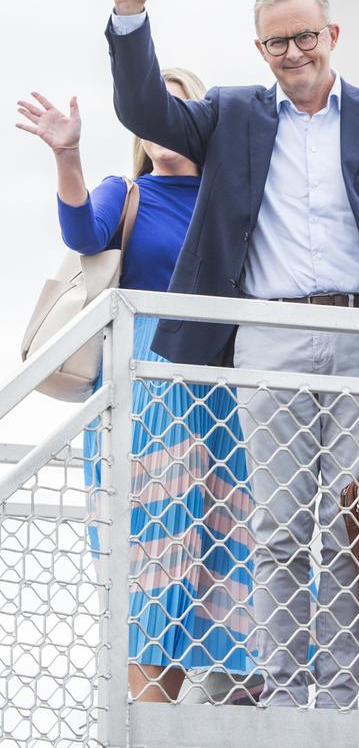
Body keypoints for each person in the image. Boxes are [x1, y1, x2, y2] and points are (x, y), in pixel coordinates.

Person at [105, 0, 359, 710]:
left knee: (354, 526)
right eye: (275, 43)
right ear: (259, 51)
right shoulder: (231, 116)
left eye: (304, 37)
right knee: (282, 528)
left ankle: (337, 696)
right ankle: (290, 694)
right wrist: (129, 14)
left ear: (332, 35)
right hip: (269, 339)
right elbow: (145, 105)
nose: (293, 53)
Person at [16, 71, 256, 703]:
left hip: (223, 392)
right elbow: (81, 234)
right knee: (153, 564)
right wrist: (67, 157)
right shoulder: (128, 192)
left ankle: (178, 719)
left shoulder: (230, 199)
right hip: (146, 386)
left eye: (175, 108)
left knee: (217, 560)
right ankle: (149, 725)